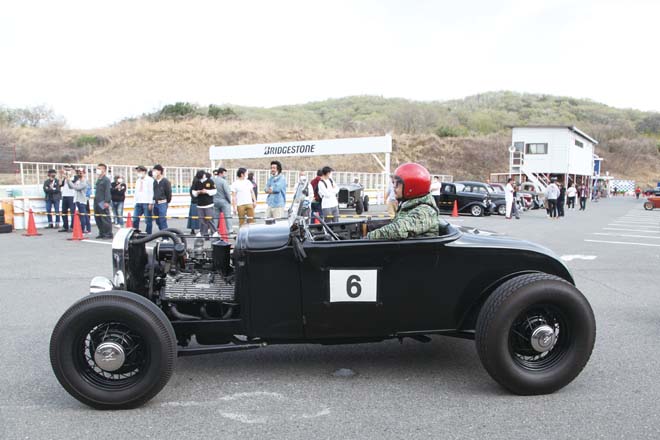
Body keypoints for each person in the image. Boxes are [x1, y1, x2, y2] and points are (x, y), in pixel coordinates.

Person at [367, 163, 442, 240]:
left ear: (411, 187)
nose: (394, 187)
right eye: (393, 183)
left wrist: (367, 237)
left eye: (397, 184)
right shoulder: (409, 205)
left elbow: (398, 230)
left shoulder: (425, 211)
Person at [191, 170, 217, 237]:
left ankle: (214, 232)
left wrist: (207, 191)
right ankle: (203, 232)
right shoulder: (197, 182)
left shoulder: (210, 181)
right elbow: (193, 192)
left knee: (210, 219)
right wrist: (198, 192)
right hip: (200, 204)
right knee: (201, 220)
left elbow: (214, 191)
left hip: (209, 204)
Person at [66, 168, 91, 235]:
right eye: (78, 172)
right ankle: (88, 229)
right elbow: (71, 187)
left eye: (81, 172)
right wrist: (68, 180)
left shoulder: (84, 182)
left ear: (84, 173)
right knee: (84, 214)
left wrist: (69, 181)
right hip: (77, 199)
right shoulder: (78, 181)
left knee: (82, 215)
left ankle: (83, 229)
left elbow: (76, 188)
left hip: (82, 200)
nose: (79, 173)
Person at [94, 164, 113, 239]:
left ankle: (108, 233)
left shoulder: (106, 180)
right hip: (97, 201)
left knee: (105, 218)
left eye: (99, 168)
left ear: (104, 170)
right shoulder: (99, 179)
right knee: (98, 217)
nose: (97, 170)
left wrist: (107, 201)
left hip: (103, 201)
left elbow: (107, 191)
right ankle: (101, 232)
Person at [133, 165, 154, 233]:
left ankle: (148, 233)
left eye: (139, 171)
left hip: (146, 202)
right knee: (135, 218)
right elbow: (136, 192)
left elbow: (151, 192)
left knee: (148, 220)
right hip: (138, 202)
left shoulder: (150, 180)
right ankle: (135, 232)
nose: (138, 173)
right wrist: (135, 202)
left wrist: (151, 202)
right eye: (137, 171)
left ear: (144, 172)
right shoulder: (138, 181)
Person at [212, 167, 233, 234]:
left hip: (214, 200)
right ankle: (230, 230)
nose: (225, 175)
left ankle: (214, 230)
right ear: (221, 173)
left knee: (215, 217)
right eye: (224, 173)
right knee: (227, 216)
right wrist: (230, 201)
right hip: (223, 201)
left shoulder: (212, 180)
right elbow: (227, 192)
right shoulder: (223, 181)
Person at [151, 164, 171, 230]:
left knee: (162, 219)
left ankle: (165, 237)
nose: (153, 172)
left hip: (162, 203)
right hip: (155, 203)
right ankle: (162, 233)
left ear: (159, 171)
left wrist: (166, 201)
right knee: (157, 220)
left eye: (155, 170)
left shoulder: (165, 181)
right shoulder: (154, 182)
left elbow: (168, 193)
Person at [58, 165, 76, 232]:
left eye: (69, 170)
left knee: (72, 212)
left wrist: (67, 176)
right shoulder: (65, 178)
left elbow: (72, 184)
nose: (68, 171)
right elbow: (60, 184)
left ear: (73, 170)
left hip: (72, 196)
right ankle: (65, 226)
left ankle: (72, 226)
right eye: (66, 170)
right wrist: (60, 175)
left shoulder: (75, 177)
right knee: (63, 212)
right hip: (64, 196)